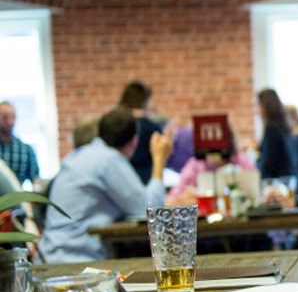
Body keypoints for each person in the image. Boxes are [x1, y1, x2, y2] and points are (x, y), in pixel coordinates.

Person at [37, 106, 172, 263]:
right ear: (134, 140)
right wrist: (159, 159)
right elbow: (149, 211)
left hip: (48, 256)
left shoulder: (79, 155)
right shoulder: (109, 160)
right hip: (75, 261)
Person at [119, 80, 164, 184]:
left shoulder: (116, 125)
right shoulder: (152, 128)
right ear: (146, 101)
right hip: (146, 181)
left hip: (120, 181)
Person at [257, 88, 298, 183]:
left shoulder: (271, 128)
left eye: (258, 105)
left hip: (278, 181)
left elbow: (270, 162)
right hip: (289, 177)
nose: (257, 110)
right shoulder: (283, 126)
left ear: (265, 106)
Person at [0, 100, 39, 186]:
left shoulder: (25, 150)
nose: (10, 121)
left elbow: (35, 181)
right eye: (5, 117)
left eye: (13, 117)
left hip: (17, 197)